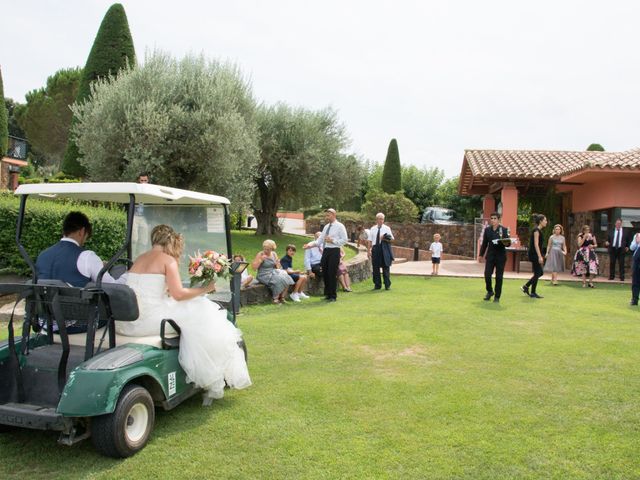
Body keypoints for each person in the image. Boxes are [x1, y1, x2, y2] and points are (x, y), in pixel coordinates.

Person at [120, 224, 251, 405]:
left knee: (195, 307)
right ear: (172, 242)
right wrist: (204, 289)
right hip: (151, 320)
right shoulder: (168, 260)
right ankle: (212, 371)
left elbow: (144, 290)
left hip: (129, 320)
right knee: (204, 308)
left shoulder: (139, 259)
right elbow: (179, 294)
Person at [36, 211, 126, 287]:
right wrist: (129, 274)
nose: (84, 241)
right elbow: (113, 287)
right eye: (87, 236)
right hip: (74, 307)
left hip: (44, 307)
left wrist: (98, 265)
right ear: (82, 231)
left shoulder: (42, 255)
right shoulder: (87, 257)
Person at [304, 209, 347, 302]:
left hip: (335, 250)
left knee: (332, 273)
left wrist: (333, 241)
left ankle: (333, 296)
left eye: (329, 215)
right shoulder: (326, 227)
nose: (327, 217)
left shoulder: (340, 226)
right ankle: (327, 294)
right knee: (325, 273)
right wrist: (309, 245)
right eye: (326, 215)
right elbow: (319, 241)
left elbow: (345, 239)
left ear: (334, 215)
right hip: (326, 251)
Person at [479, 212, 511, 302]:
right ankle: (489, 291)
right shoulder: (487, 230)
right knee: (487, 274)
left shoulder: (504, 230)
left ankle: (497, 296)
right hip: (490, 256)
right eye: (491, 218)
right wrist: (481, 254)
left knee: (499, 277)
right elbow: (485, 243)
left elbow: (508, 243)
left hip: (501, 256)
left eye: (495, 218)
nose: (493, 220)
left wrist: (506, 243)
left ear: (499, 219)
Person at [252, 239, 294, 304]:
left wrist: (278, 263)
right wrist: (260, 260)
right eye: (265, 249)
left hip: (273, 271)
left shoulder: (274, 254)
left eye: (268, 249)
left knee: (287, 278)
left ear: (272, 249)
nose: (266, 251)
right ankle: (275, 298)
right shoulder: (260, 254)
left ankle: (282, 297)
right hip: (263, 274)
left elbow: (278, 267)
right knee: (277, 280)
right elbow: (254, 268)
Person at [522, 214, 547, 298]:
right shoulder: (536, 231)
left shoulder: (539, 230)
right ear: (540, 221)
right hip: (534, 254)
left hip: (536, 253)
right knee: (539, 272)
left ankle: (529, 289)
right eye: (545, 220)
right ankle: (529, 289)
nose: (546, 222)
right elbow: (536, 244)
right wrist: (540, 256)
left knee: (539, 273)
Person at [368, 212, 394, 290]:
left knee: (386, 267)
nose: (380, 220)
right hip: (375, 249)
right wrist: (368, 251)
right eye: (379, 219)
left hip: (385, 249)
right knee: (375, 268)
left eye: (382, 219)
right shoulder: (372, 228)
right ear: (376, 219)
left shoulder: (387, 228)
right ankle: (377, 285)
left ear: (384, 220)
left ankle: (387, 285)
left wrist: (384, 238)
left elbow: (392, 239)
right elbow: (369, 240)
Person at [630, 232, 640, 306]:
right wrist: (637, 241)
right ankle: (634, 299)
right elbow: (632, 248)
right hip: (636, 260)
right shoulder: (637, 235)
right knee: (635, 281)